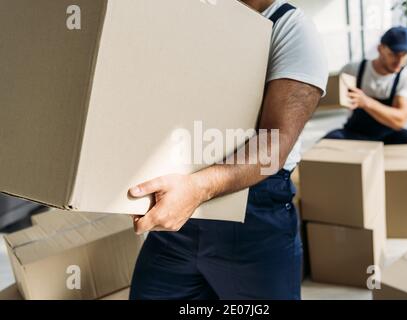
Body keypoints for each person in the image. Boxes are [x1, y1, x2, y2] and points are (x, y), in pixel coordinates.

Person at [128, 0, 328, 300]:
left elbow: (275, 144)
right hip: (181, 211)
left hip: (253, 219)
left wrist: (198, 188)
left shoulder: (290, 28)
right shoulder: (196, 19)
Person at [324, 26, 407, 166]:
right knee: (324, 147)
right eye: (394, 54)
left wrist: (366, 102)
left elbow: (399, 120)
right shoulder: (353, 70)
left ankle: (381, 172)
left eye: (405, 55)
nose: (400, 60)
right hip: (355, 134)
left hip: (389, 137)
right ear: (380, 49)